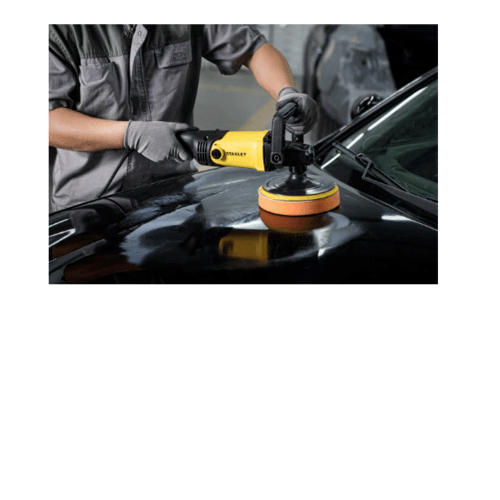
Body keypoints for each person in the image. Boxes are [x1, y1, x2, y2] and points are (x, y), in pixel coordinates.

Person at [49, 25, 318, 211]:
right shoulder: (60, 26)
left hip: (172, 195)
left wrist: (286, 92)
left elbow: (253, 48)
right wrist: (130, 135)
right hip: (87, 205)